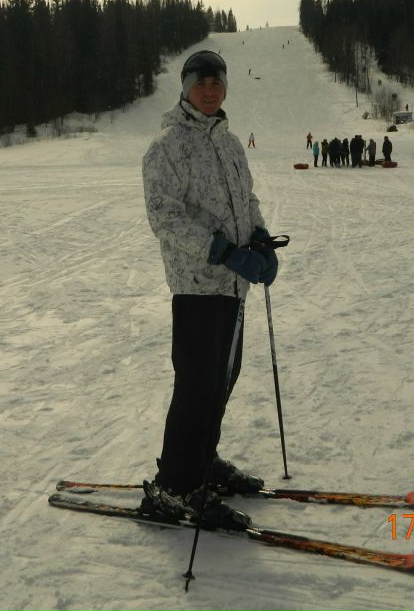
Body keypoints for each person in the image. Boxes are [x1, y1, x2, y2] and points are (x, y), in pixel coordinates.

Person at [139, 49, 278, 530]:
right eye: (201, 83)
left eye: (217, 82)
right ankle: (174, 487)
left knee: (221, 380)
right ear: (184, 88)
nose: (210, 90)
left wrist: (260, 242)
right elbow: (164, 217)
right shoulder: (168, 146)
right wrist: (220, 250)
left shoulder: (231, 143)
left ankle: (203, 461)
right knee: (197, 387)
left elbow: (247, 199)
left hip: (233, 287)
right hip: (197, 284)